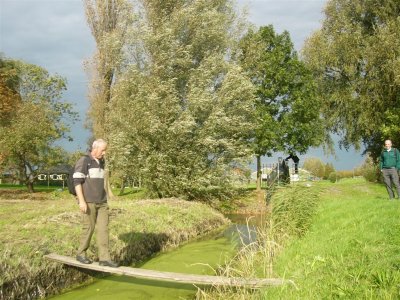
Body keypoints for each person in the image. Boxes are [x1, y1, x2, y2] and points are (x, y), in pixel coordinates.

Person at [73, 139, 118, 267]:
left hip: (102, 202)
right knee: (89, 228)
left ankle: (105, 258)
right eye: (103, 150)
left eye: (105, 150)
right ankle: (81, 254)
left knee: (104, 229)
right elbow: (77, 182)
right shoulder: (84, 161)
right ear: (95, 148)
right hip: (88, 202)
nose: (104, 153)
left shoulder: (101, 162)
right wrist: (81, 201)